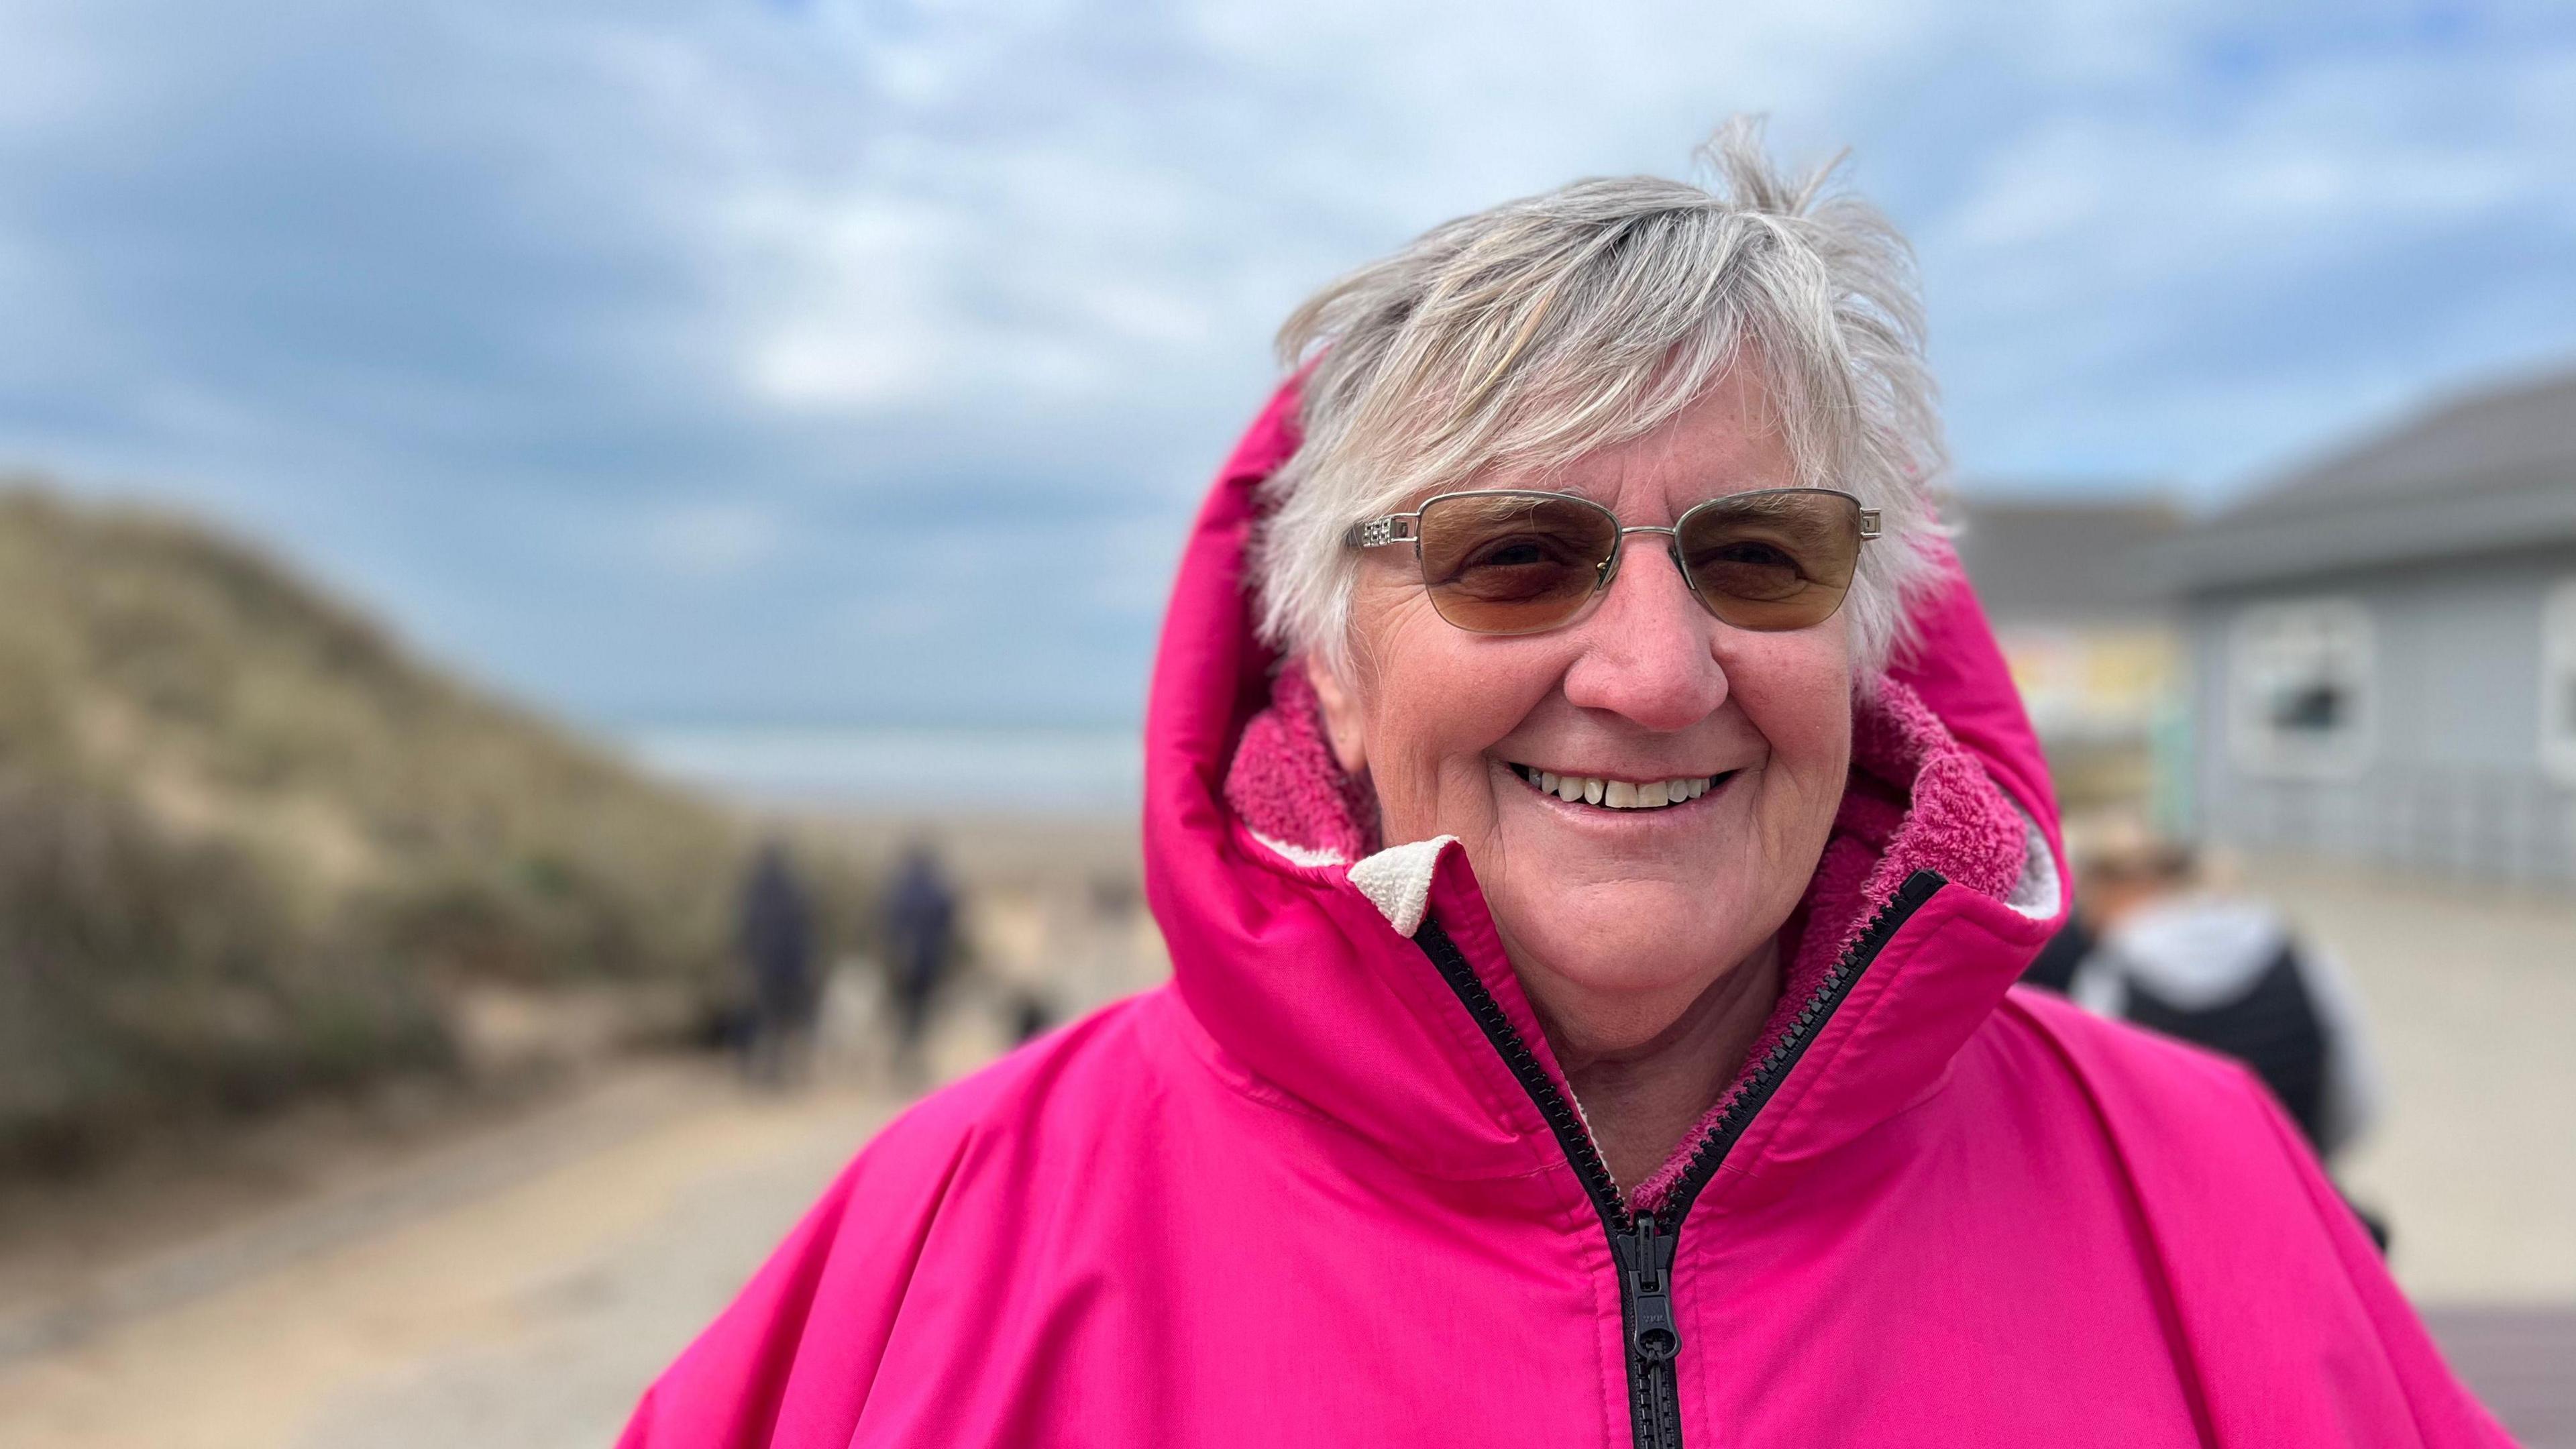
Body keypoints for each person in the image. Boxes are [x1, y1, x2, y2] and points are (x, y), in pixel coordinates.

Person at [623, 123, 2504, 1445]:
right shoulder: (952, 1231)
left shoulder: (2208, 1194)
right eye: (1513, 556)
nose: (1658, 674)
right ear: (1330, 667)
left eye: (1761, 556)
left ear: (1865, 637)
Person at [2062, 828, 2385, 1165]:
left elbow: (2091, 1124)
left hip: (2175, 1201)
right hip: (2292, 1184)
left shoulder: (2112, 974)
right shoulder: (2295, 952)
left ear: (2115, 889)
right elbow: (2357, 1101)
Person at [734, 839, 814, 1087]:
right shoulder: (793, 890)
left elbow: (744, 928)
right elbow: (803, 933)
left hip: (762, 965)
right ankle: (772, 1068)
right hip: (784, 968)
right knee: (777, 1020)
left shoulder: (755, 890)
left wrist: (741, 960)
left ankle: (761, 1068)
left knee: (762, 1018)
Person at [878, 841, 957, 1077]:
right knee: (920, 1014)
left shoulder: (899, 890)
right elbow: (948, 917)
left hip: (901, 965)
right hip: (928, 964)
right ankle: (912, 1059)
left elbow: (885, 922)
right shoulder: (934, 891)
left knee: (903, 1014)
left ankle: (902, 1058)